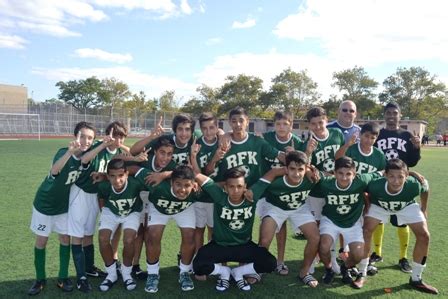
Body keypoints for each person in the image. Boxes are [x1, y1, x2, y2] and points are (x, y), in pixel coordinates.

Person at [28, 122, 96, 295]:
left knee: (65, 239)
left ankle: (63, 277)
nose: (85, 140)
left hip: (63, 207)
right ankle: (40, 279)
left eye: (90, 138)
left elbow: (94, 154)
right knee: (42, 241)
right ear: (75, 136)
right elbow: (54, 170)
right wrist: (69, 152)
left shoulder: (85, 158)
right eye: (82, 136)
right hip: (44, 204)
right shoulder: (63, 152)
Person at [191, 165, 277, 292]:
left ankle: (238, 272)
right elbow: (196, 175)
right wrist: (165, 175)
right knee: (197, 266)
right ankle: (224, 272)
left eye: (239, 186)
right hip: (220, 246)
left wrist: (307, 169)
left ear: (245, 186)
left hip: (244, 246)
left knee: (270, 263)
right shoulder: (219, 196)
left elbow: (273, 172)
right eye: (231, 186)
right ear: (225, 187)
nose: (236, 190)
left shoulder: (252, 196)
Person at [361, 159, 438, 294]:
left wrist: (424, 208)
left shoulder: (413, 185)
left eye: (400, 177)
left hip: (406, 205)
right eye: (391, 176)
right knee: (366, 231)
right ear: (385, 175)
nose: (396, 181)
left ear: (407, 176)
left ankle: (416, 279)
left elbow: (425, 187)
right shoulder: (375, 185)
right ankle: (362, 273)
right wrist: (367, 204)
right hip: (380, 205)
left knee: (424, 235)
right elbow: (363, 189)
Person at [68, 121, 128, 292]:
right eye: (112, 135)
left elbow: (124, 151)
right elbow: (85, 159)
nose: (115, 139)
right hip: (80, 194)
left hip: (94, 196)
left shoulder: (113, 151)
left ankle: (89, 268)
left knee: (88, 234)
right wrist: (102, 144)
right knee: (78, 236)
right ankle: (80, 277)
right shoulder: (92, 147)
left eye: (89, 137)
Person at [258, 151, 320, 287]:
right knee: (265, 239)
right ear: (285, 168)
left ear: (306, 169)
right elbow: (258, 187)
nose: (296, 173)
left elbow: (327, 179)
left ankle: (305, 272)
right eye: (292, 169)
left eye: (300, 169)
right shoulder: (275, 180)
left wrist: (313, 170)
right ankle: (258, 268)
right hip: (275, 207)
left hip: (299, 208)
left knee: (315, 237)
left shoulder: (311, 178)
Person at [316, 157, 380, 287]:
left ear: (355, 174)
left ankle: (345, 267)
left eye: (348, 174)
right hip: (330, 220)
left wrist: (412, 173)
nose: (344, 178)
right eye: (340, 173)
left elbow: (382, 172)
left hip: (352, 223)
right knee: (324, 247)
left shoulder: (361, 181)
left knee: (358, 255)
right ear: (334, 172)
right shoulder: (326, 182)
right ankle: (329, 270)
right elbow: (310, 172)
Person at [372, 102, 421, 273]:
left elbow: (413, 162)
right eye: (388, 113)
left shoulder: (407, 135)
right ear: (384, 115)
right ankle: (377, 253)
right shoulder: (378, 134)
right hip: (381, 180)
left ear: (400, 115)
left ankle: (403, 257)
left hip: (400, 182)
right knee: (378, 217)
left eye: (395, 113)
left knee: (402, 220)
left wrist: (416, 148)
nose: (391, 116)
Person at [259, 111, 303, 276]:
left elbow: (305, 165)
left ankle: (280, 261)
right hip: (266, 188)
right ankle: (260, 262)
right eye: (278, 124)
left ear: (291, 125)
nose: (281, 127)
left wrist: (294, 154)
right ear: (274, 125)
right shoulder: (267, 137)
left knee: (282, 226)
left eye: (285, 124)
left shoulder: (297, 141)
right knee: (266, 226)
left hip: (286, 191)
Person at [302, 106, 345, 273]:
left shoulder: (337, 135)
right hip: (317, 191)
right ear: (309, 125)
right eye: (314, 124)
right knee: (316, 227)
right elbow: (304, 168)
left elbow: (343, 158)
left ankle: (332, 259)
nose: (318, 127)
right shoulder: (307, 142)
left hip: (335, 189)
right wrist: (308, 151)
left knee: (331, 226)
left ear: (327, 120)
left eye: (321, 122)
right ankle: (312, 259)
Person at [142, 165, 198, 293]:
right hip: (159, 208)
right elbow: (134, 169)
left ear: (193, 185)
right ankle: (153, 273)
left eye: (187, 185)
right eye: (178, 184)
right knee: (153, 235)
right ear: (171, 182)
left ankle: (184, 272)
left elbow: (216, 187)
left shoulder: (197, 191)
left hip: (184, 208)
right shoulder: (158, 185)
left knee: (190, 235)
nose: (182, 189)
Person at [97, 159, 146, 292]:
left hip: (132, 212)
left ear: (127, 174)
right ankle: (111, 273)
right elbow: (101, 197)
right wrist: (104, 212)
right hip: (110, 211)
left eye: (120, 175)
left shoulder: (135, 184)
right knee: (103, 239)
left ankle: (126, 273)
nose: (117, 180)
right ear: (107, 176)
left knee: (129, 240)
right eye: (112, 176)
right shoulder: (104, 185)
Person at [192, 113, 220, 261]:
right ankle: (199, 259)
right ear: (200, 129)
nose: (208, 132)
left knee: (213, 229)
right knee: (198, 229)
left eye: (212, 127)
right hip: (199, 195)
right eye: (205, 128)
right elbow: (198, 173)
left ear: (217, 127)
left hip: (216, 196)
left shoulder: (223, 142)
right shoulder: (196, 144)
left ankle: (212, 258)